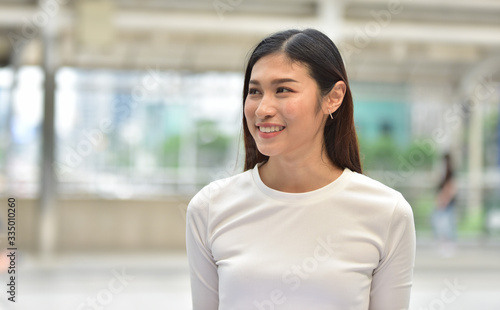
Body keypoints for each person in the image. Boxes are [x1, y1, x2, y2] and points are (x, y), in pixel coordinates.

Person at [186, 29, 416, 310]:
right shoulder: (210, 207)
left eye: (283, 90)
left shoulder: (387, 212)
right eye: (255, 91)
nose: (262, 109)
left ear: (333, 97)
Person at [432, 153, 457, 256]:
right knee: (440, 224)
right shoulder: (442, 173)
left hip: (447, 203)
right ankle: (444, 245)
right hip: (442, 203)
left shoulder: (450, 173)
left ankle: (449, 246)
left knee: (447, 225)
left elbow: (451, 188)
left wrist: (445, 200)